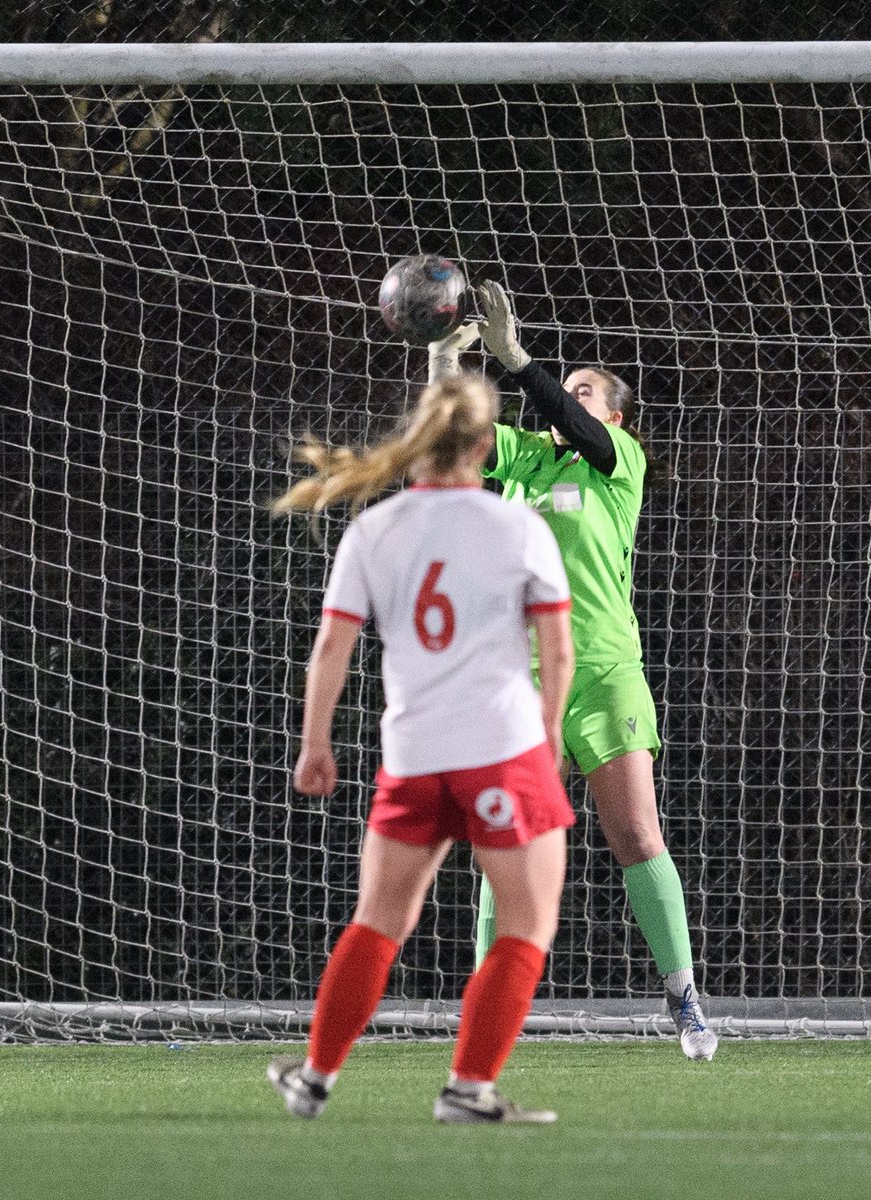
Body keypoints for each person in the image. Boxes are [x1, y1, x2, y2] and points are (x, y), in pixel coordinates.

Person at [267, 373, 576, 1124]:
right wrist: (547, 731)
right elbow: (558, 651)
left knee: (379, 920)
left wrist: (315, 745)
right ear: (483, 446)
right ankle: (469, 1089)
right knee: (525, 925)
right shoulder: (517, 526)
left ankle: (313, 1078)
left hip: (413, 755)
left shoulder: (374, 529)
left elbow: (331, 649)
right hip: (499, 751)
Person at [429, 284, 718, 1061]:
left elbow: (579, 425)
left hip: (605, 672)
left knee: (634, 831)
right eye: (569, 387)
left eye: (587, 391)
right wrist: (442, 363)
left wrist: (518, 360)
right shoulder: (525, 459)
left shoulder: (616, 461)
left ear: (613, 417)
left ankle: (684, 996)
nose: (572, 397)